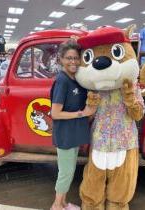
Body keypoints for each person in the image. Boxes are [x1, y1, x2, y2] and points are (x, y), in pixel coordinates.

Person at [50, 40, 98, 210]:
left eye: (76, 58)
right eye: (69, 58)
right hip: (65, 134)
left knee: (69, 171)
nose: (73, 62)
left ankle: (63, 203)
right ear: (61, 59)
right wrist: (82, 113)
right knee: (65, 173)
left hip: (73, 133)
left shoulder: (76, 79)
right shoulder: (62, 81)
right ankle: (56, 205)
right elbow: (55, 113)